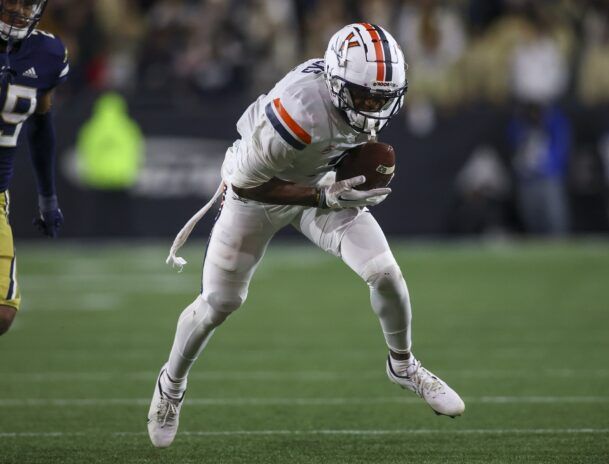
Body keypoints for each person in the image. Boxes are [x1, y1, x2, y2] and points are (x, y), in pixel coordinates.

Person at [147, 23, 465, 448]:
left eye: (382, 98)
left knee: (385, 273)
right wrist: (322, 197)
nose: (373, 107)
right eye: (365, 97)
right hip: (258, 197)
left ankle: (403, 365)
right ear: (336, 84)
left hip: (321, 184)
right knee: (220, 303)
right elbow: (245, 185)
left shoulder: (356, 89)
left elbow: (348, 143)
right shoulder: (298, 112)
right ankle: (171, 385)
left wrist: (341, 182)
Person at [0, 0, 69, 336]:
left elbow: (41, 126)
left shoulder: (48, 53)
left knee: (3, 313)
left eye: (27, 3)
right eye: (11, 0)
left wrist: (47, 197)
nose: (19, 10)